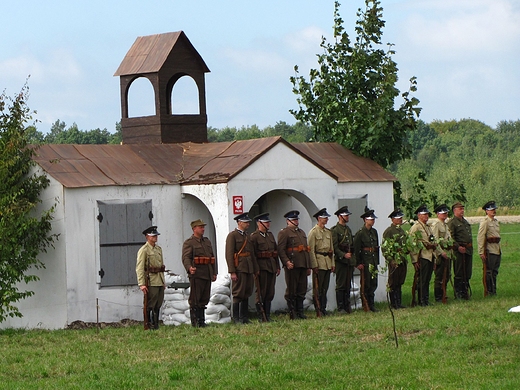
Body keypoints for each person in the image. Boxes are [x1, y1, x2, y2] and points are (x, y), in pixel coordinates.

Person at [277, 210, 312, 319]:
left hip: (302, 264)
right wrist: (286, 262)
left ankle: (300, 311)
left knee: (302, 289)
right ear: (288, 221)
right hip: (292, 264)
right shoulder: (284, 233)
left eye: (296, 219)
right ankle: (292, 312)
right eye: (293, 220)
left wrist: (308, 265)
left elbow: (306, 250)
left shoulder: (301, 232)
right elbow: (281, 250)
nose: (296, 221)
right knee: (292, 289)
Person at [182, 219, 217, 327]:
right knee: (195, 299)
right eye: (200, 227)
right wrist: (189, 268)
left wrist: (214, 272)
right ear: (194, 229)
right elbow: (186, 257)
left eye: (203, 227)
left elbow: (211, 257)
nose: (203, 229)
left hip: (207, 273)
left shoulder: (207, 241)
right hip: (197, 274)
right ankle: (195, 322)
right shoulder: (189, 242)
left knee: (204, 298)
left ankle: (202, 321)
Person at [225, 212, 258, 324]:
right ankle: (236, 318)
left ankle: (244, 317)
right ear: (239, 223)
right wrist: (232, 271)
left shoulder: (247, 236)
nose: (248, 224)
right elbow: (229, 254)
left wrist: (255, 268)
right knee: (238, 292)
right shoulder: (232, 236)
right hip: (239, 267)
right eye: (245, 222)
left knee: (247, 292)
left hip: (248, 267)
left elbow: (251, 253)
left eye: (248, 222)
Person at [250, 212, 280, 321]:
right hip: (261, 267)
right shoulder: (254, 237)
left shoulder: (270, 235)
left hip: (271, 266)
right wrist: (255, 268)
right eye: (265, 222)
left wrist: (277, 266)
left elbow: (275, 252)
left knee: (270, 292)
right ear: (259, 223)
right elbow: (252, 255)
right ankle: (261, 316)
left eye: (268, 222)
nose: (268, 224)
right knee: (261, 291)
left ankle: (267, 315)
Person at [136, 226, 165, 330]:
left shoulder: (158, 249)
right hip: (151, 280)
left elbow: (161, 266)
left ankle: (156, 324)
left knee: (158, 303)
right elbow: (139, 268)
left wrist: (163, 281)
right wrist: (142, 283)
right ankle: (150, 324)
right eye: (153, 236)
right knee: (151, 304)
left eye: (156, 235)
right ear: (147, 236)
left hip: (159, 280)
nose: (155, 237)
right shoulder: (143, 250)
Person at [308, 208, 335, 316]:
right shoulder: (313, 232)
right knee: (318, 288)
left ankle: (323, 308)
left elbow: (331, 250)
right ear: (319, 218)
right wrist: (314, 265)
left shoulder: (328, 232)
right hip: (319, 262)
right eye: (325, 217)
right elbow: (311, 250)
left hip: (327, 262)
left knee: (325, 288)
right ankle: (318, 308)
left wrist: (332, 263)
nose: (327, 219)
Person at [353, 208, 380, 312]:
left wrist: (376, 261)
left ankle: (371, 304)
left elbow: (376, 248)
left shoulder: (374, 232)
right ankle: (366, 304)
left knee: (374, 283)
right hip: (365, 261)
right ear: (365, 220)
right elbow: (356, 249)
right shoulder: (360, 233)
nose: (373, 221)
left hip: (373, 260)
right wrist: (358, 263)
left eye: (373, 219)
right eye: (371, 219)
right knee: (366, 284)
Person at [409, 205, 436, 306]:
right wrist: (414, 260)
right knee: (422, 279)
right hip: (422, 256)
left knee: (427, 279)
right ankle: (420, 300)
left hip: (430, 255)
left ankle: (425, 299)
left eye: (427, 214)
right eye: (424, 214)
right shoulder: (416, 227)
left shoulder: (428, 227)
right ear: (419, 215)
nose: (427, 216)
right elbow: (412, 244)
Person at [331, 205, 355, 313]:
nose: (348, 217)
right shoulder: (335, 230)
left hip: (348, 261)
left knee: (347, 284)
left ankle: (347, 305)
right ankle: (340, 307)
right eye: (346, 215)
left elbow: (351, 245)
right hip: (340, 261)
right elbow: (334, 247)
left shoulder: (348, 229)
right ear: (340, 216)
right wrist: (343, 255)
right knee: (340, 285)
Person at [382, 208, 408, 309]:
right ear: (393, 219)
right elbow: (385, 248)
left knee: (400, 281)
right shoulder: (389, 231)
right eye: (398, 218)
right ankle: (393, 303)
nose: (400, 220)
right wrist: (391, 260)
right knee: (393, 281)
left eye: (401, 218)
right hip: (394, 259)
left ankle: (399, 302)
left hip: (402, 258)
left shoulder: (401, 230)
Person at [447, 202, 473, 300]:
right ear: (454, 211)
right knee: (459, 272)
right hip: (459, 250)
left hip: (468, 250)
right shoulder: (452, 222)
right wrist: (457, 247)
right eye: (460, 209)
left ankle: (465, 291)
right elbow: (451, 237)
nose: (462, 211)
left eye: (462, 209)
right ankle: (458, 293)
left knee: (467, 272)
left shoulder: (465, 222)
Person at [478, 201, 501, 296]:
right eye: (491, 209)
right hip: (489, 250)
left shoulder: (495, 222)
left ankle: (493, 290)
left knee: (494, 271)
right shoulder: (485, 222)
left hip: (496, 249)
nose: (493, 211)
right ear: (486, 211)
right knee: (489, 272)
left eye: (494, 209)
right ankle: (489, 290)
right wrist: (481, 251)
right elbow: (481, 236)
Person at [432, 204, 453, 303]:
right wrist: (441, 252)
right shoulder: (437, 225)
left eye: (446, 213)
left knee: (447, 275)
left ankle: (443, 293)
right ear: (438, 214)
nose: (445, 214)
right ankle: (438, 296)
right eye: (443, 213)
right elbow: (435, 240)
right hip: (441, 254)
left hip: (447, 253)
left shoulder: (445, 225)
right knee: (440, 276)